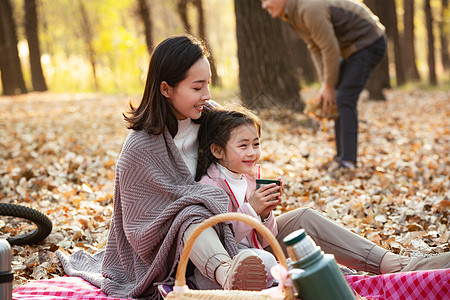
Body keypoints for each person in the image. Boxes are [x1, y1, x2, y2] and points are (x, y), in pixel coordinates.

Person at [56, 35, 450, 300]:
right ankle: (230, 276)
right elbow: (144, 229)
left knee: (305, 219)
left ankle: (394, 265)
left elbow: (238, 166)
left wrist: (252, 203)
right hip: (180, 251)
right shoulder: (140, 148)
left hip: (238, 225)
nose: (207, 96)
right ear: (165, 89)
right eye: (196, 87)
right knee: (192, 214)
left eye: (208, 83)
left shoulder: (211, 119)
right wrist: (225, 208)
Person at [261, 0, 387, 170]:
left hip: (369, 41)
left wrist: (329, 85)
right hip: (351, 48)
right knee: (336, 98)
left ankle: (348, 161)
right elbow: (315, 47)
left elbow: (329, 48)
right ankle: (341, 156)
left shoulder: (309, 8)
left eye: (266, 0)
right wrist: (326, 84)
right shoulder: (292, 14)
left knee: (344, 99)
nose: (264, 5)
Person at [195, 105, 281, 288]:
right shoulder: (209, 186)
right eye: (243, 145)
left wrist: (265, 214)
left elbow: (266, 240)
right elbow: (220, 240)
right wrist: (251, 210)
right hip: (224, 263)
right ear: (218, 151)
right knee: (267, 261)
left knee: (271, 260)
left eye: (256, 144)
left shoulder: (251, 180)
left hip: (254, 253)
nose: (252, 152)